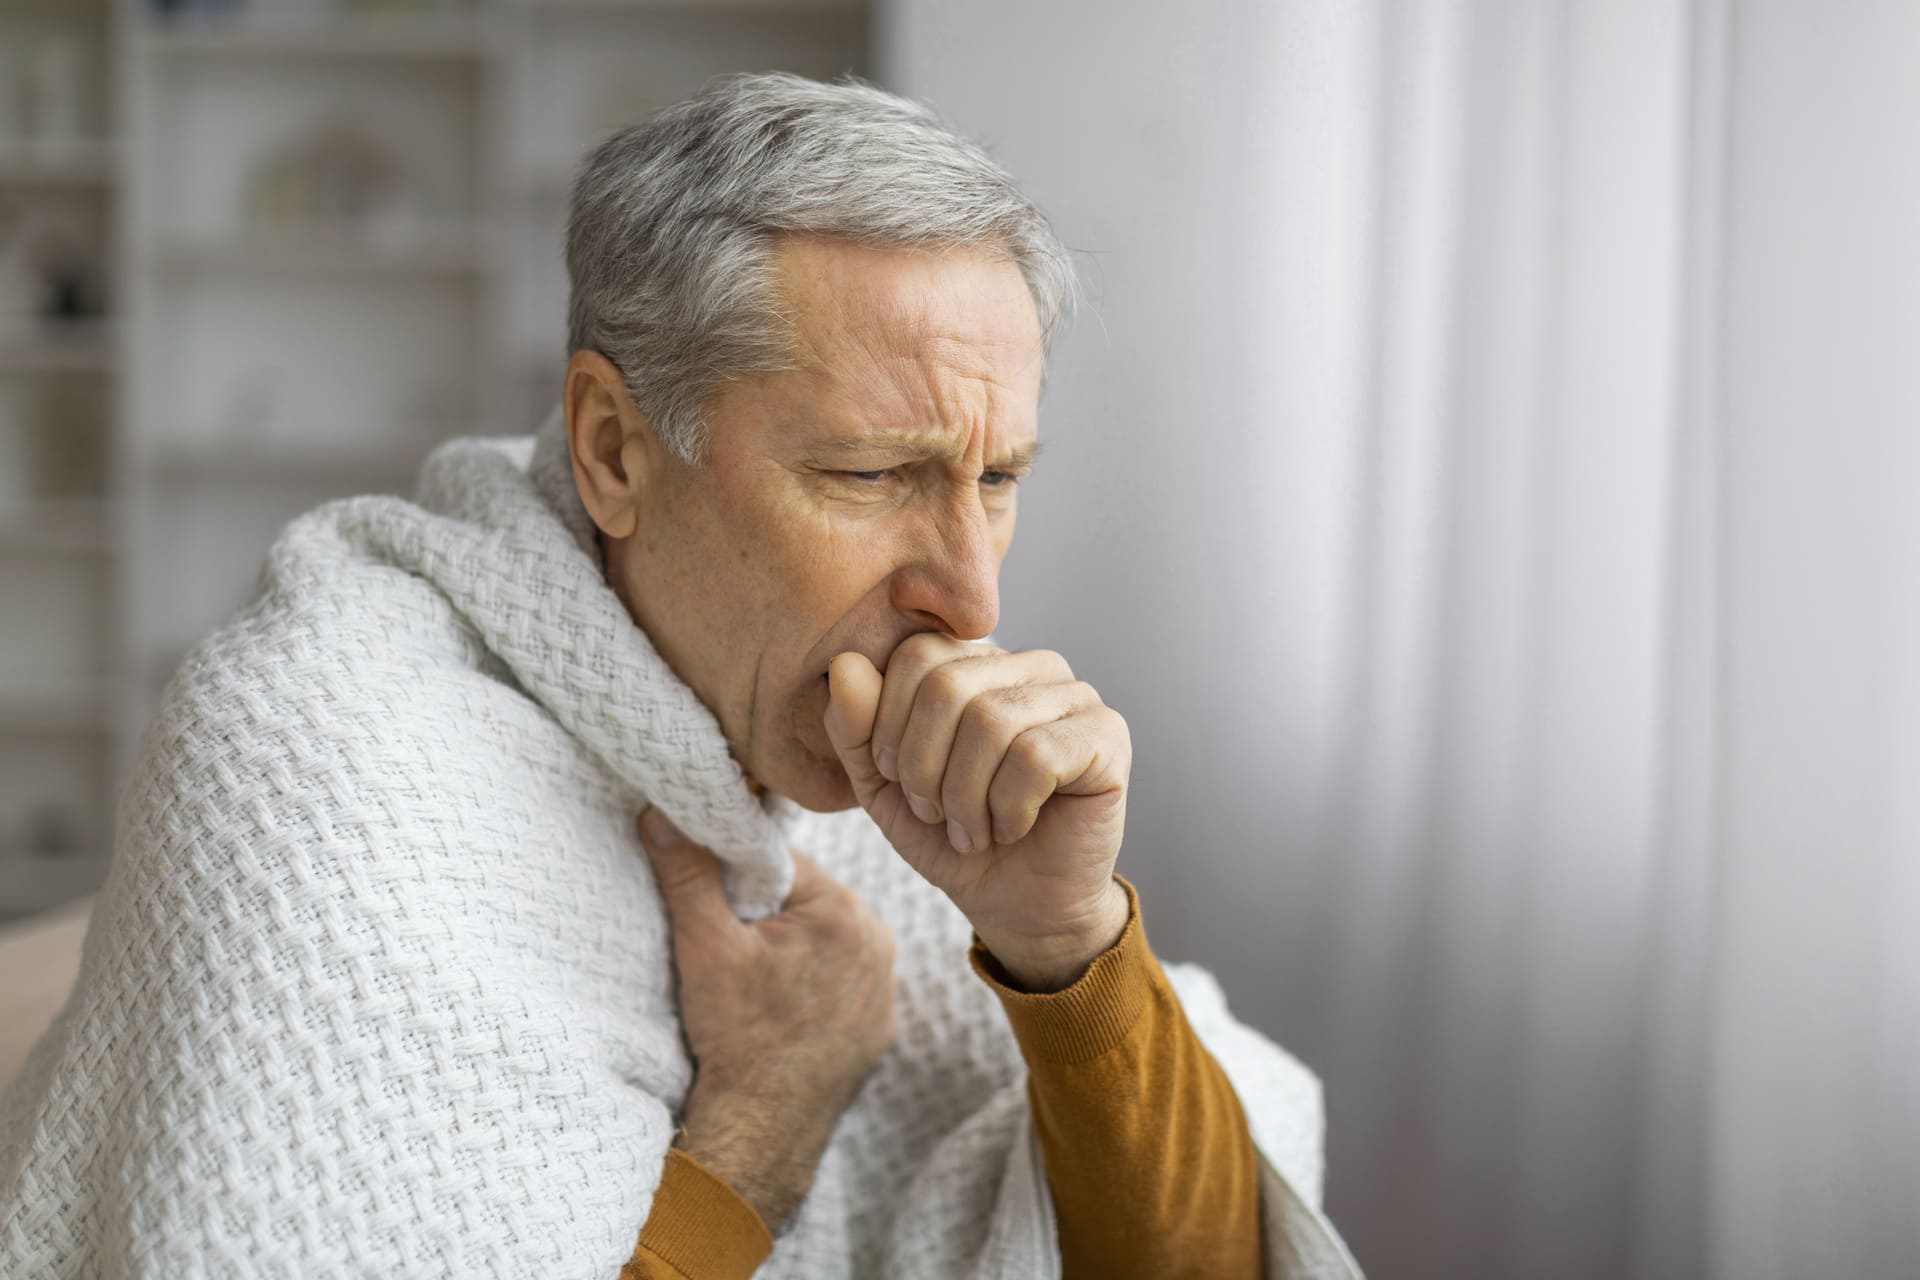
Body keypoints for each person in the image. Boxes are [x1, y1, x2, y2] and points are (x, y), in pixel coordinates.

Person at [0, 73, 1358, 1278]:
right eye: (870, 474)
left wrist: (1067, 952)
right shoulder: (326, 763)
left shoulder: (883, 782)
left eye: (996, 479)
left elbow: (1206, 1265)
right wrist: (760, 1135)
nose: (973, 598)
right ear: (613, 451)